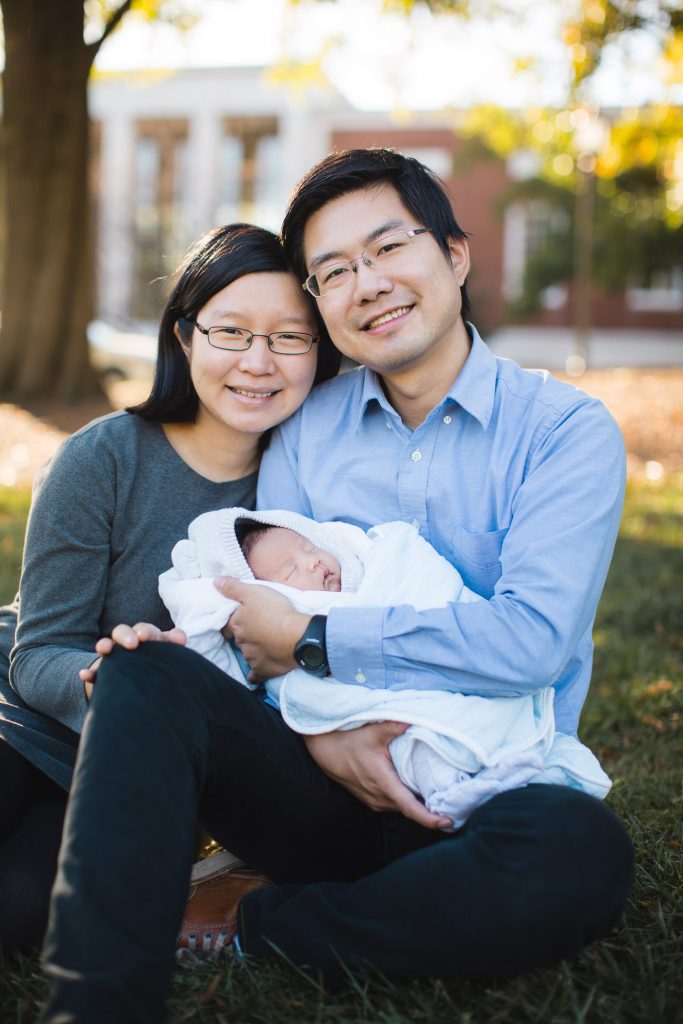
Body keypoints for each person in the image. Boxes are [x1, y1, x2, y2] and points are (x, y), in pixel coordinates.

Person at [39, 149, 634, 1024]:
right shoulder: (306, 429)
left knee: (579, 856)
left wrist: (317, 641)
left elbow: (531, 644)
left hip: (482, 785)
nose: (368, 286)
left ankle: (261, 917)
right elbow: (257, 622)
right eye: (333, 273)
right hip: (319, 787)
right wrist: (321, 737)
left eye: (388, 249)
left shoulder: (563, 433)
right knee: (143, 671)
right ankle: (93, 1005)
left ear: (454, 256)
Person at [0, 222, 338, 956]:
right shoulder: (103, 459)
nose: (258, 361)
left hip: (135, 778)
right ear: (184, 338)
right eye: (231, 332)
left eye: (289, 337)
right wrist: (107, 681)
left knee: (19, 914)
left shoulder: (310, 490)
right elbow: (36, 653)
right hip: (24, 721)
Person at [160, 507, 612, 829]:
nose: (313, 561)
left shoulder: (383, 560)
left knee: (579, 842)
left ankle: (513, 772)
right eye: (290, 568)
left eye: (307, 546)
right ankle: (456, 787)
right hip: (352, 769)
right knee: (410, 734)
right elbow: (235, 659)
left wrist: (308, 634)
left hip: (470, 673)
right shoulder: (299, 440)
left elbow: (430, 588)